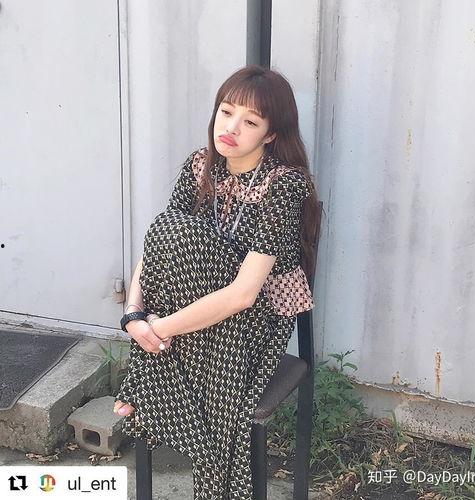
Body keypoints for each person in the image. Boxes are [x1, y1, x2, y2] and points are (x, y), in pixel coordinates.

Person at [114, 64, 321, 499]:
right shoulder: (201, 165)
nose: (231, 128)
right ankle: (172, 390)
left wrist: (158, 329)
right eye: (226, 112)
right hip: (196, 307)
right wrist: (133, 314)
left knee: (175, 233)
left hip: (254, 318)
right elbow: (156, 249)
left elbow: (244, 295)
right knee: (169, 230)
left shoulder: (283, 185)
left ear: (270, 134)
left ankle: (146, 382)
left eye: (250, 122)